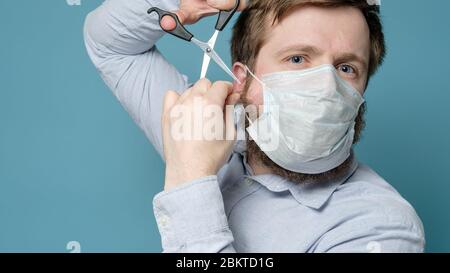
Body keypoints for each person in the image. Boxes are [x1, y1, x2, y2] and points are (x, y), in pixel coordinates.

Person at [84, 0, 425, 252]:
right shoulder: (210, 134)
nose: (325, 86)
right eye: (297, 59)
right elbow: (110, 44)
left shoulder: (381, 227)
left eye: (347, 68)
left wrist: (190, 177)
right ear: (243, 80)